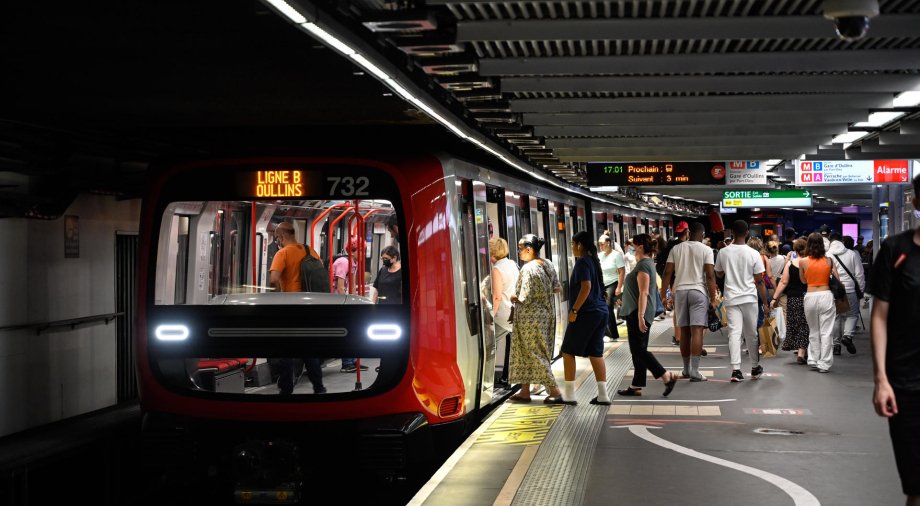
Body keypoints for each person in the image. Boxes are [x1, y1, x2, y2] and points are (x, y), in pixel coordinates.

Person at [869, 173, 920, 506]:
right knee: (917, 485)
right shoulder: (895, 250)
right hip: (907, 384)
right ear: (917, 204)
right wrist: (881, 380)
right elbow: (880, 316)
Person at [268, 222, 326, 394]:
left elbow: (273, 280)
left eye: (277, 238)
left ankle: (286, 389)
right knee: (309, 349)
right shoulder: (310, 251)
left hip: (290, 308)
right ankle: (319, 388)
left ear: (281, 237)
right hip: (310, 307)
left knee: (286, 350)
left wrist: (275, 299)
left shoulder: (283, 253)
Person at [617, 234, 678, 397]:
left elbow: (644, 292)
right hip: (637, 311)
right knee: (637, 350)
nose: (631, 249)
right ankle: (636, 384)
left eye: (633, 246)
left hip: (638, 312)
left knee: (639, 350)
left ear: (640, 247)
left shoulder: (644, 265)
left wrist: (640, 316)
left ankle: (666, 376)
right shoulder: (646, 263)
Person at [508, 235, 566, 404]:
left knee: (534, 354)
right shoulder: (547, 263)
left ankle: (555, 391)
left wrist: (513, 296)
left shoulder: (528, 268)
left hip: (529, 319)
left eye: (520, 248)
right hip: (546, 315)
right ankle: (525, 391)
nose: (518, 252)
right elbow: (557, 288)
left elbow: (523, 297)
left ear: (529, 249)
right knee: (529, 352)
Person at [659, 222, 718, 382]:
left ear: (688, 232)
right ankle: (695, 371)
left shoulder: (676, 248)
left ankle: (685, 369)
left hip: (680, 291)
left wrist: (663, 294)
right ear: (703, 234)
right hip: (698, 292)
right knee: (697, 331)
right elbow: (710, 276)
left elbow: (667, 273)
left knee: (684, 332)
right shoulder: (706, 250)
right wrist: (713, 299)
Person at [714, 220, 769, 382]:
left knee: (734, 333)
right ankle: (754, 366)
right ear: (747, 233)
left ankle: (736, 370)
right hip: (750, 298)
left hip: (731, 298)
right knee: (751, 333)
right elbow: (759, 280)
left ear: (732, 232)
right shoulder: (754, 254)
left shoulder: (723, 252)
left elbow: (718, 274)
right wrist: (765, 303)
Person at [560, 231, 611, 405]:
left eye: (573, 244)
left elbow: (586, 287)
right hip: (600, 311)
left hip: (586, 313)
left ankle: (569, 394)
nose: (572, 248)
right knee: (595, 352)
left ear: (579, 245)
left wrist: (574, 310)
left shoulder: (582, 262)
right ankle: (603, 395)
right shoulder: (592, 261)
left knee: (567, 351)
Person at [799, 233, 841, 373]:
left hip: (810, 295)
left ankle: (814, 359)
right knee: (826, 332)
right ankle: (824, 363)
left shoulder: (803, 261)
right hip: (826, 295)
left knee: (813, 330)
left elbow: (803, 281)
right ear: (823, 245)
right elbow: (838, 279)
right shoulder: (829, 261)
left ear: (808, 245)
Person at [771, 239, 809, 364]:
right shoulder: (810, 263)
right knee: (806, 324)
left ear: (795, 250)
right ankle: (803, 352)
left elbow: (783, 282)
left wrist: (775, 298)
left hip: (792, 298)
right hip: (808, 297)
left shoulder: (790, 264)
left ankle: (800, 351)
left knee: (795, 324)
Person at [333, 240, 367, 373]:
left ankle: (353, 360)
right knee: (348, 329)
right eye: (362, 251)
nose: (363, 254)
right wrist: (347, 304)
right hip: (336, 301)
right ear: (354, 251)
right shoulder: (343, 262)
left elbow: (352, 284)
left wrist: (355, 300)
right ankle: (347, 363)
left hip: (343, 299)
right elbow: (340, 287)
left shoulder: (354, 263)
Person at [828, 233, 865, 356]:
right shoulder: (852, 254)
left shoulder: (827, 255)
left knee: (836, 317)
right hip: (849, 289)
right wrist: (861, 290)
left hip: (834, 291)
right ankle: (847, 336)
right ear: (841, 241)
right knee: (852, 315)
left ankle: (836, 346)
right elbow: (859, 274)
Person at [489, 237, 519, 386]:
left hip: (502, 315)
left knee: (488, 344)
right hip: (513, 312)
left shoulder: (497, 269)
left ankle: (485, 379)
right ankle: (508, 377)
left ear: (492, 253)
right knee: (510, 345)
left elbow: (496, 296)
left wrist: (490, 316)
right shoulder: (511, 263)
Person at [598, 234, 626, 340]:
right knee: (602, 307)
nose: (601, 247)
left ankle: (612, 334)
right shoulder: (600, 255)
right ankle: (605, 332)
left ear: (608, 243)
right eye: (599, 245)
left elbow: (621, 271)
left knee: (607, 306)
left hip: (613, 282)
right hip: (602, 284)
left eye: (602, 244)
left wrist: (619, 287)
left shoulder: (616, 255)